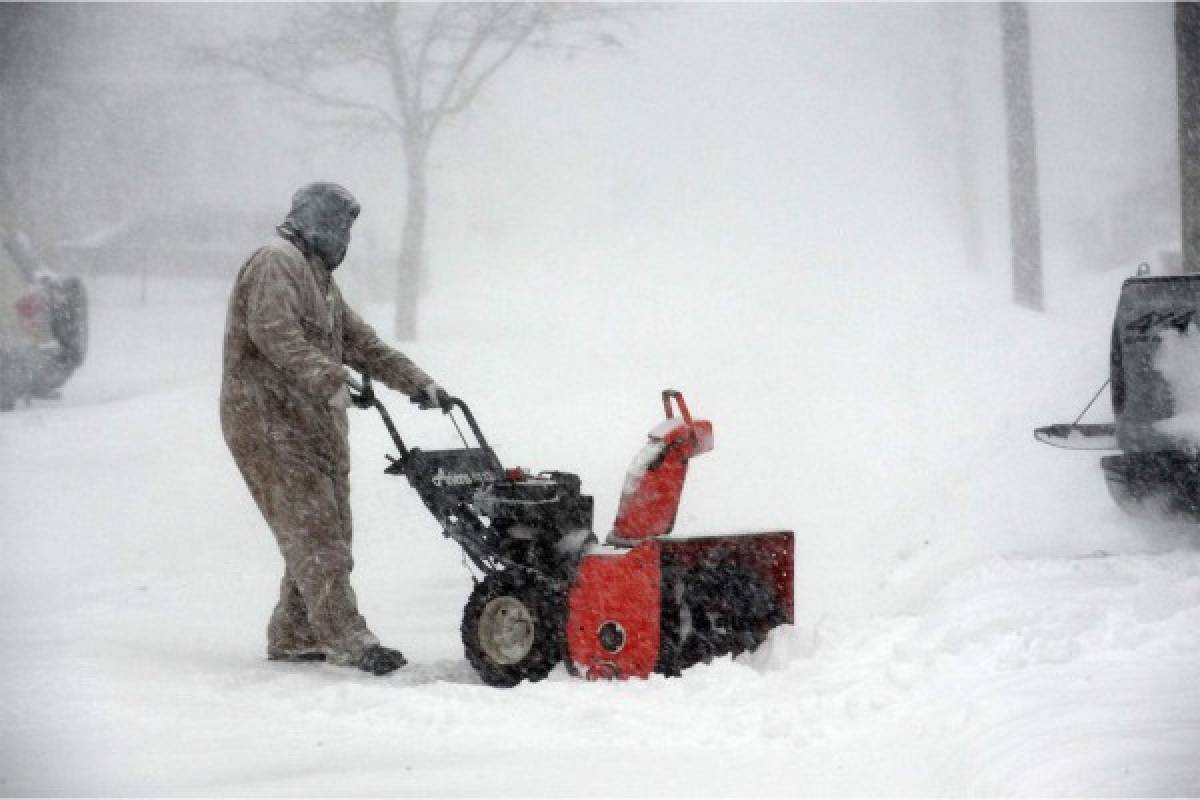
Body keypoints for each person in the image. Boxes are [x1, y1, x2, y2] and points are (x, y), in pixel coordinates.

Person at [220, 182, 451, 676]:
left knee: (327, 528)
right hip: (269, 420)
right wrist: (330, 376)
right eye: (342, 227)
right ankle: (347, 636)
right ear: (319, 223)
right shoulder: (276, 263)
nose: (347, 238)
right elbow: (274, 334)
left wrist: (419, 384)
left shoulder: (319, 279)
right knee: (315, 531)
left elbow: (361, 344)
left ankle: (297, 632)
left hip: (311, 420)